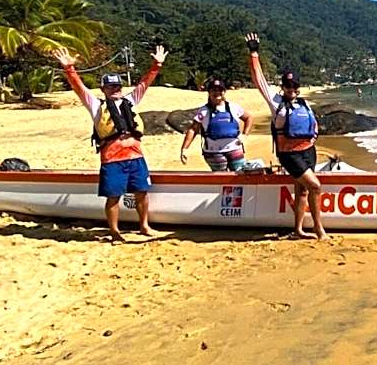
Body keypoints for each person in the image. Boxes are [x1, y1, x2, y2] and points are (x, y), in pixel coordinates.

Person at [51, 45, 168, 241]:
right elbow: (79, 89)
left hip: (136, 156)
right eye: (111, 87)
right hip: (113, 159)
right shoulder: (97, 106)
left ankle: (144, 226)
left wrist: (157, 65)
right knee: (113, 197)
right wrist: (69, 69)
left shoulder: (130, 101)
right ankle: (114, 232)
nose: (116, 90)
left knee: (141, 193)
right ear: (104, 89)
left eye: (118, 87)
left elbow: (144, 84)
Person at [245, 33, 326, 239]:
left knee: (303, 191)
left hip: (308, 151)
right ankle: (319, 229)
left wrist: (314, 135)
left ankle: (298, 230)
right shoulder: (275, 102)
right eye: (288, 86)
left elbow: (313, 123)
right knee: (315, 186)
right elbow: (259, 80)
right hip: (290, 155)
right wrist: (254, 53)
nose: (292, 89)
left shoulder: (304, 103)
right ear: (283, 87)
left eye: (295, 86)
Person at [179, 78, 253, 171]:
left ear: (224, 92)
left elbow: (248, 118)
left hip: (235, 148)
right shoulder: (203, 111)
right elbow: (193, 129)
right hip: (213, 152)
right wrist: (184, 149)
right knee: (222, 178)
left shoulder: (233, 107)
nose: (217, 92)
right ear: (209, 92)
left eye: (220, 90)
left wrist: (245, 135)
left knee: (239, 175)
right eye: (214, 90)